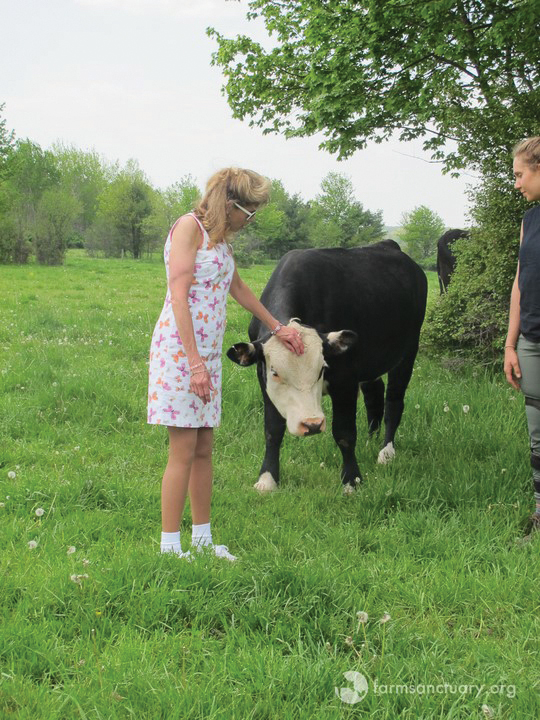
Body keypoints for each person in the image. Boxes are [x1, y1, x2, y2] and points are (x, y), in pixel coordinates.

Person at [147, 168, 304, 561]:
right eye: (248, 212)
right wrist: (195, 365)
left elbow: (238, 287)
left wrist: (277, 327)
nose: (249, 221)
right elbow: (178, 296)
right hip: (182, 354)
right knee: (182, 449)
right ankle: (170, 548)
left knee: (203, 448)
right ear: (229, 203)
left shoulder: (219, 241)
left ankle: (201, 540)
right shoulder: (189, 229)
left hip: (206, 356)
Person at [504, 137, 540, 538]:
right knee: (537, 432)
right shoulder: (529, 221)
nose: (516, 183)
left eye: (520, 174)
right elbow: (519, 284)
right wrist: (511, 344)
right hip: (532, 340)